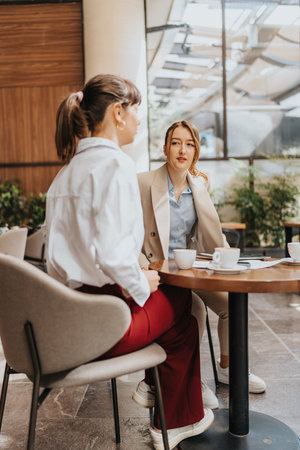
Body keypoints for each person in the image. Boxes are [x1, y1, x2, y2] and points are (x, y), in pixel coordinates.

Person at [45, 75, 214, 450]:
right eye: (136, 109)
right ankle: (172, 422)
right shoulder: (116, 166)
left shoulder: (64, 174)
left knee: (177, 323)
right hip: (104, 328)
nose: (139, 119)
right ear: (118, 113)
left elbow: (58, 263)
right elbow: (111, 255)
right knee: (182, 306)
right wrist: (141, 282)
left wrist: (128, 278)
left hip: (63, 325)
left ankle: (166, 405)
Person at [135, 120, 266, 409]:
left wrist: (230, 262)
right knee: (195, 312)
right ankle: (189, 382)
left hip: (188, 269)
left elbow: (212, 236)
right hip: (156, 273)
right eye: (176, 142)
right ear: (166, 148)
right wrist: (143, 267)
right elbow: (131, 235)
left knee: (231, 305)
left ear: (196, 151)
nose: (183, 149)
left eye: (190, 143)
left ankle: (228, 368)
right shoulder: (143, 182)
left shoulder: (200, 186)